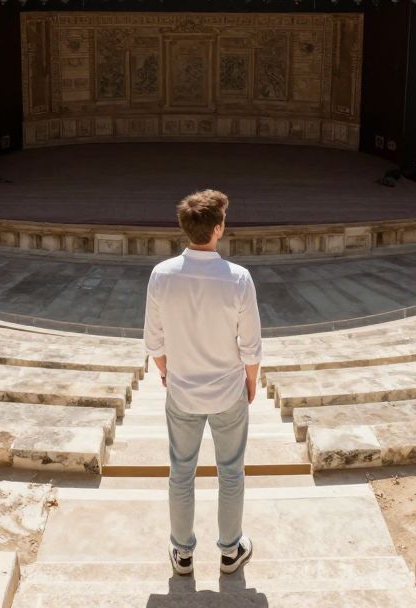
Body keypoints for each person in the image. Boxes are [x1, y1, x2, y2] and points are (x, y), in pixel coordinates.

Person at [143, 188, 262, 577]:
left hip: (181, 390)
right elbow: (251, 346)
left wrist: (166, 371)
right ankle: (230, 551)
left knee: (181, 471)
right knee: (231, 471)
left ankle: (182, 552)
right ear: (218, 229)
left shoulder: (161, 275)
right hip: (228, 390)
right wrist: (251, 383)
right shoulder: (239, 279)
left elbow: (153, 342)